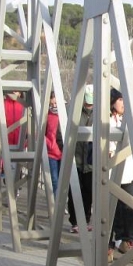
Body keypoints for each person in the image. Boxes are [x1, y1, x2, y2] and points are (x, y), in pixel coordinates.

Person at [108, 88, 133, 263]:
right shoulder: (105, 119)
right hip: (112, 170)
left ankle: (128, 241)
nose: (123, 103)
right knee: (111, 209)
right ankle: (109, 245)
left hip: (130, 169)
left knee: (130, 208)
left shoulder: (131, 119)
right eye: (120, 100)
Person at [68, 84, 94, 233]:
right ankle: (75, 221)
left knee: (88, 192)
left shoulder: (100, 112)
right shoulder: (75, 111)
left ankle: (86, 219)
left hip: (91, 161)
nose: (89, 105)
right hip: (76, 159)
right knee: (74, 191)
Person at [44, 90, 63, 197]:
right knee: (55, 180)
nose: (54, 106)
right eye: (52, 104)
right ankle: (56, 206)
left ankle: (60, 203)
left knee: (62, 180)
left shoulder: (65, 114)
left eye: (55, 103)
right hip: (52, 153)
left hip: (63, 151)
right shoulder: (47, 116)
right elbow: (41, 133)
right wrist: (49, 143)